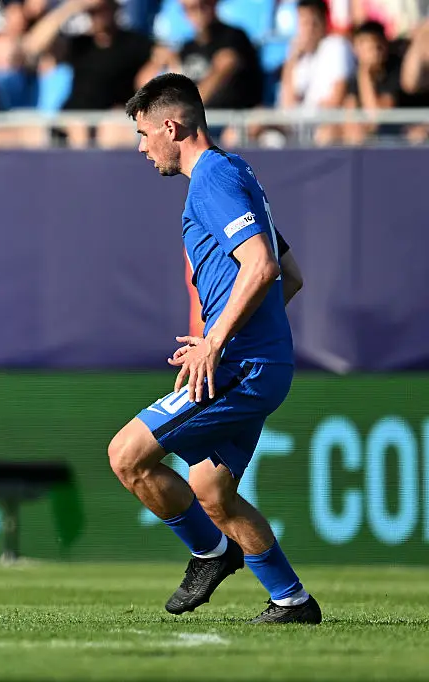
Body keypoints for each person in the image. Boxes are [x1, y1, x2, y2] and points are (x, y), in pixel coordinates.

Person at [112, 72, 320, 625]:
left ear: (171, 127)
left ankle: (211, 552)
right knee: (211, 489)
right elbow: (290, 276)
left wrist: (217, 342)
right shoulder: (238, 171)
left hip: (240, 368)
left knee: (126, 456)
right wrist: (253, 332)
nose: (141, 147)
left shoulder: (212, 180)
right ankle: (291, 600)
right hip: (259, 361)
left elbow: (264, 266)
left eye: (143, 133)